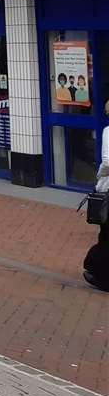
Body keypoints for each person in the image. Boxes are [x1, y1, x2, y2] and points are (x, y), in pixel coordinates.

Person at [83, 99, 109, 291]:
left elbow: (108, 161)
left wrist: (99, 173)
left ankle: (101, 276)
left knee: (106, 234)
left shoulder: (108, 131)